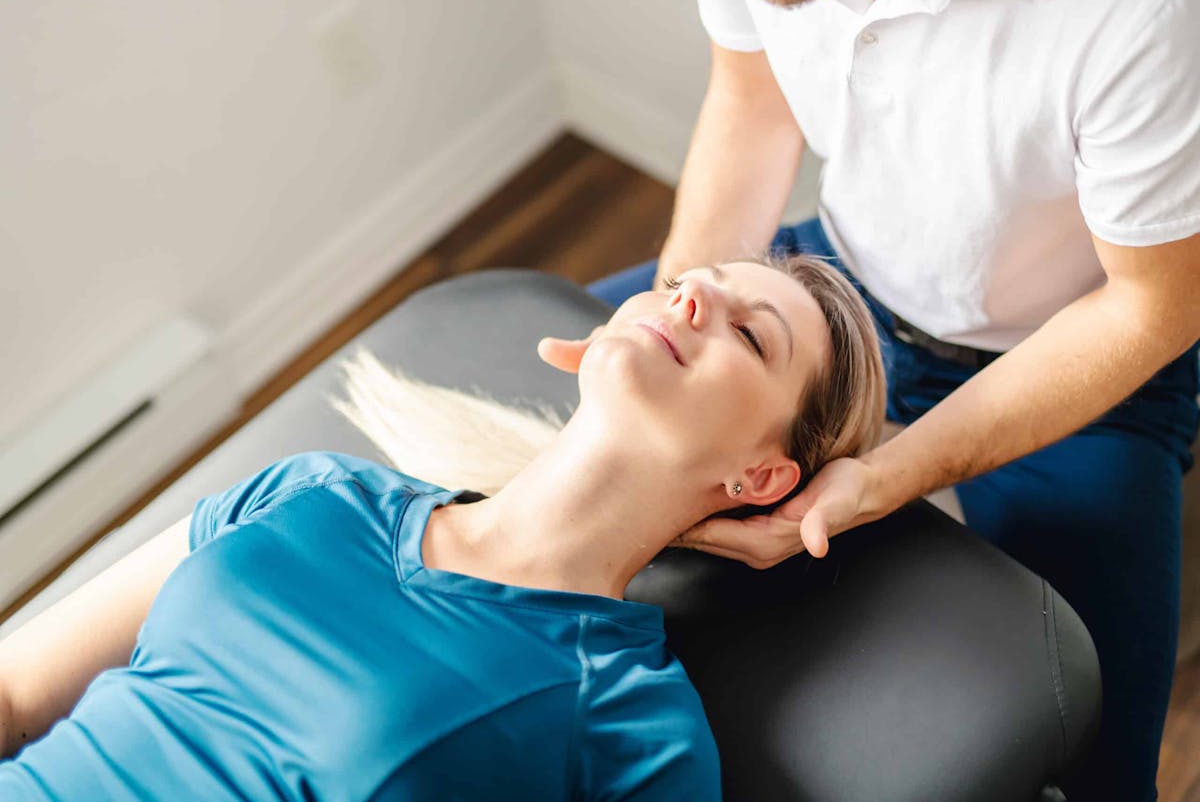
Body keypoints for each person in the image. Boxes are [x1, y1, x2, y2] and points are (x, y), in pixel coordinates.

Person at [574, 0, 1200, 798]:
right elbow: (753, 106)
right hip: (841, 284)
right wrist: (667, 324)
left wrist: (889, 476)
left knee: (1099, 744)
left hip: (1073, 341)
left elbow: (1154, 305)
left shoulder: (1133, 3)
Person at [0, 254, 885, 801]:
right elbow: (15, 692)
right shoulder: (312, 491)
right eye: (687, 282)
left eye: (751, 335)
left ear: (759, 476)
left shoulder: (631, 725)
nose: (691, 298)